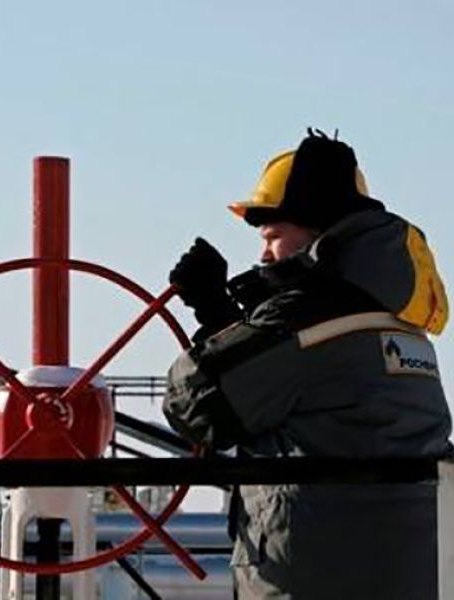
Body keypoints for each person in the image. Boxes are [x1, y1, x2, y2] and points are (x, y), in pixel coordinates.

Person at [162, 129, 452, 599]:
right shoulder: (400, 322)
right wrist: (223, 323)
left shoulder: (306, 321)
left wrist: (217, 322)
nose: (263, 255)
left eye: (274, 236)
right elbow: (299, 384)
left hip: (314, 574)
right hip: (410, 576)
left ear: (320, 233)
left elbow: (198, 408)